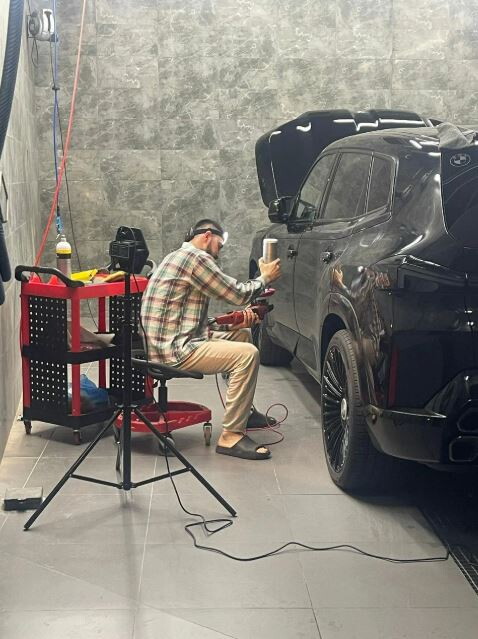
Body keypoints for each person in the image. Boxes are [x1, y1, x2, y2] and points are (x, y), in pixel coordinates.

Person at [141, 218, 281, 460]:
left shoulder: (176, 257)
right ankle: (231, 437)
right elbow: (237, 294)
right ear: (207, 235)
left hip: (167, 342)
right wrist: (265, 277)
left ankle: (245, 413)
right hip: (174, 351)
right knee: (247, 355)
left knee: (241, 335)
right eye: (219, 243)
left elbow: (185, 320)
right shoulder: (196, 258)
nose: (220, 250)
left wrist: (232, 321)